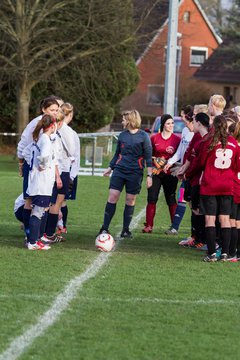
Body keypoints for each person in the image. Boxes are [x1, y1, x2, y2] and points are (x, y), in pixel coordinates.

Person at [98, 110, 152, 239]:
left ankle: (126, 230)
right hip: (119, 171)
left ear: (130, 120)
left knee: (130, 199)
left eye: (123, 119)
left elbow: (148, 158)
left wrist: (150, 176)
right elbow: (117, 154)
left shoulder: (144, 136)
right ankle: (104, 228)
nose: (122, 121)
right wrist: (110, 167)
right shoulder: (122, 135)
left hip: (135, 173)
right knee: (113, 196)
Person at [194, 115, 239, 262]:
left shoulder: (208, 141)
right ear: (226, 127)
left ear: (213, 126)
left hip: (210, 184)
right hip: (227, 185)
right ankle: (225, 253)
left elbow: (200, 162)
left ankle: (212, 254)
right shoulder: (233, 142)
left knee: (210, 219)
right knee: (225, 219)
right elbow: (237, 166)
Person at [17, 96, 60, 242]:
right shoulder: (37, 124)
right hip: (37, 170)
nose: (55, 112)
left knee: (42, 204)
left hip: (43, 171)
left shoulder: (52, 126)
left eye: (57, 110)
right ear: (43, 109)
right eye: (52, 110)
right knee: (31, 202)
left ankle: (36, 236)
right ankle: (31, 236)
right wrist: (24, 164)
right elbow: (24, 146)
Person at [42, 108, 76, 243]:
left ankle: (48, 232)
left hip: (62, 170)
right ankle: (46, 233)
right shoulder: (54, 132)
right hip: (56, 170)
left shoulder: (66, 131)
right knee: (51, 203)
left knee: (56, 203)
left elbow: (72, 151)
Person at [142, 114, 180, 233]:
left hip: (170, 173)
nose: (171, 125)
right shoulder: (154, 138)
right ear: (163, 124)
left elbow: (179, 157)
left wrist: (169, 164)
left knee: (171, 198)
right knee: (152, 198)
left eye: (172, 123)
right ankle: (149, 225)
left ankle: (174, 226)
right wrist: (156, 161)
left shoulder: (177, 139)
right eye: (168, 123)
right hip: (156, 172)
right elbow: (148, 156)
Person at [25, 114, 58, 250]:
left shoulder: (40, 138)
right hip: (42, 183)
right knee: (38, 212)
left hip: (38, 181)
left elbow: (27, 153)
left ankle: (36, 240)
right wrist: (42, 166)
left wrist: (33, 167)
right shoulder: (45, 139)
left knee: (40, 211)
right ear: (52, 126)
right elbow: (44, 156)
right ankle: (32, 242)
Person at [163, 105, 194, 235]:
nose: (180, 118)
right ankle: (175, 227)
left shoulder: (198, 133)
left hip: (193, 173)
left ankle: (196, 234)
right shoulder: (185, 131)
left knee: (194, 205)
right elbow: (180, 151)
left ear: (188, 116)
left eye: (182, 115)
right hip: (185, 172)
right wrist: (170, 162)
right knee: (181, 197)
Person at [57, 102, 80, 234]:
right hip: (66, 171)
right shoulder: (70, 132)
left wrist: (71, 175)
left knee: (60, 200)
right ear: (70, 114)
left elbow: (73, 155)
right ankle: (60, 225)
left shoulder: (65, 131)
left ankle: (61, 225)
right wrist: (72, 175)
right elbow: (75, 156)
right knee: (61, 201)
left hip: (65, 172)